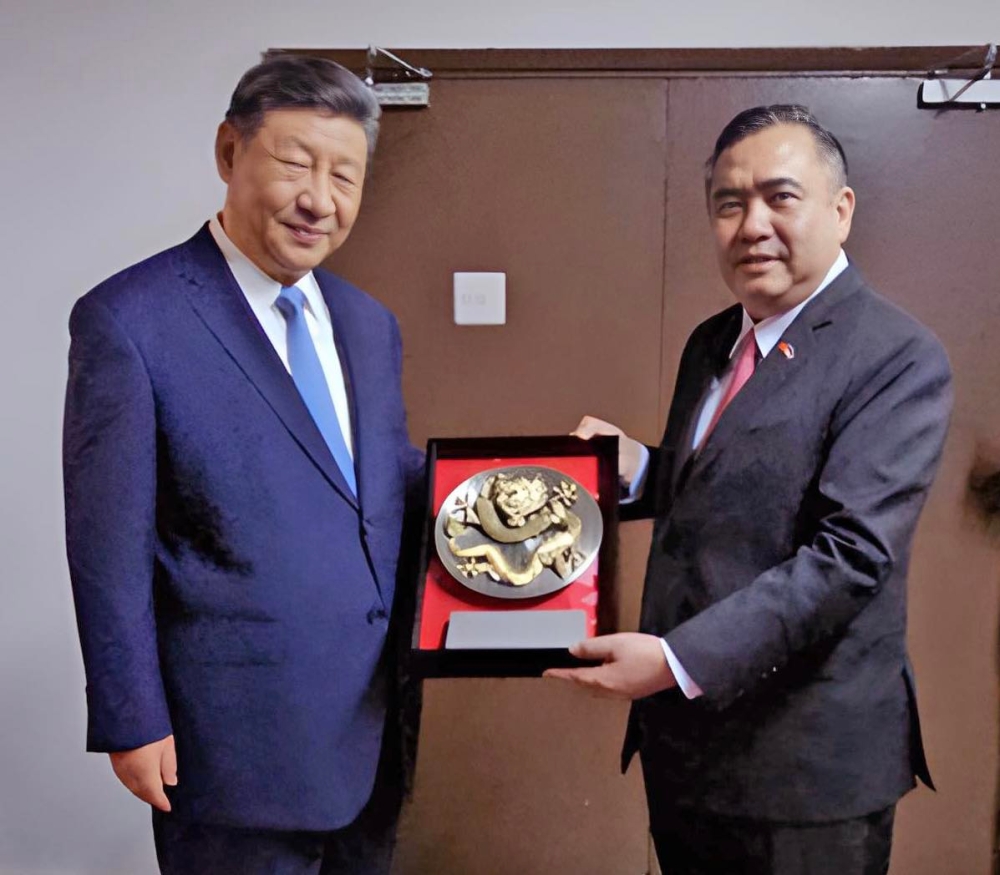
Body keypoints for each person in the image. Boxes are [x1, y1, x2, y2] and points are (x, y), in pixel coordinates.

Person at [546, 105, 953, 874]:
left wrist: (673, 659)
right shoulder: (714, 341)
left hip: (804, 770)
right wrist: (638, 467)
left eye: (779, 196)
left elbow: (850, 555)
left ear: (841, 209)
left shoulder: (895, 355)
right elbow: (729, 483)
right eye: (729, 204)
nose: (751, 223)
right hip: (689, 753)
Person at [63, 56, 422, 874]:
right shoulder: (130, 321)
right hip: (229, 750)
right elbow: (105, 540)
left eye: (346, 176)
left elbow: (382, 491)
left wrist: (543, 484)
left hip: (370, 733)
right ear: (230, 153)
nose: (319, 200)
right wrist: (129, 715)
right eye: (295, 163)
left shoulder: (370, 325)